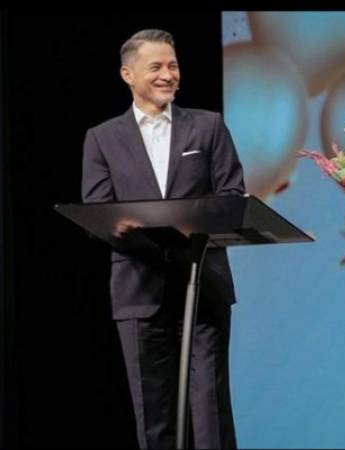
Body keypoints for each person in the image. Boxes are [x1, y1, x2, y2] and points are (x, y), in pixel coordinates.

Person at [81, 29, 245, 449]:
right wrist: (158, 251)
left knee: (210, 412)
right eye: (155, 66)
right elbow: (100, 211)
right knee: (152, 416)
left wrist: (185, 239)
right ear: (127, 74)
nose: (167, 74)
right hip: (138, 285)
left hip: (202, 283)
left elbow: (231, 197)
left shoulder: (208, 126)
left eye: (172, 65)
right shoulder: (102, 138)